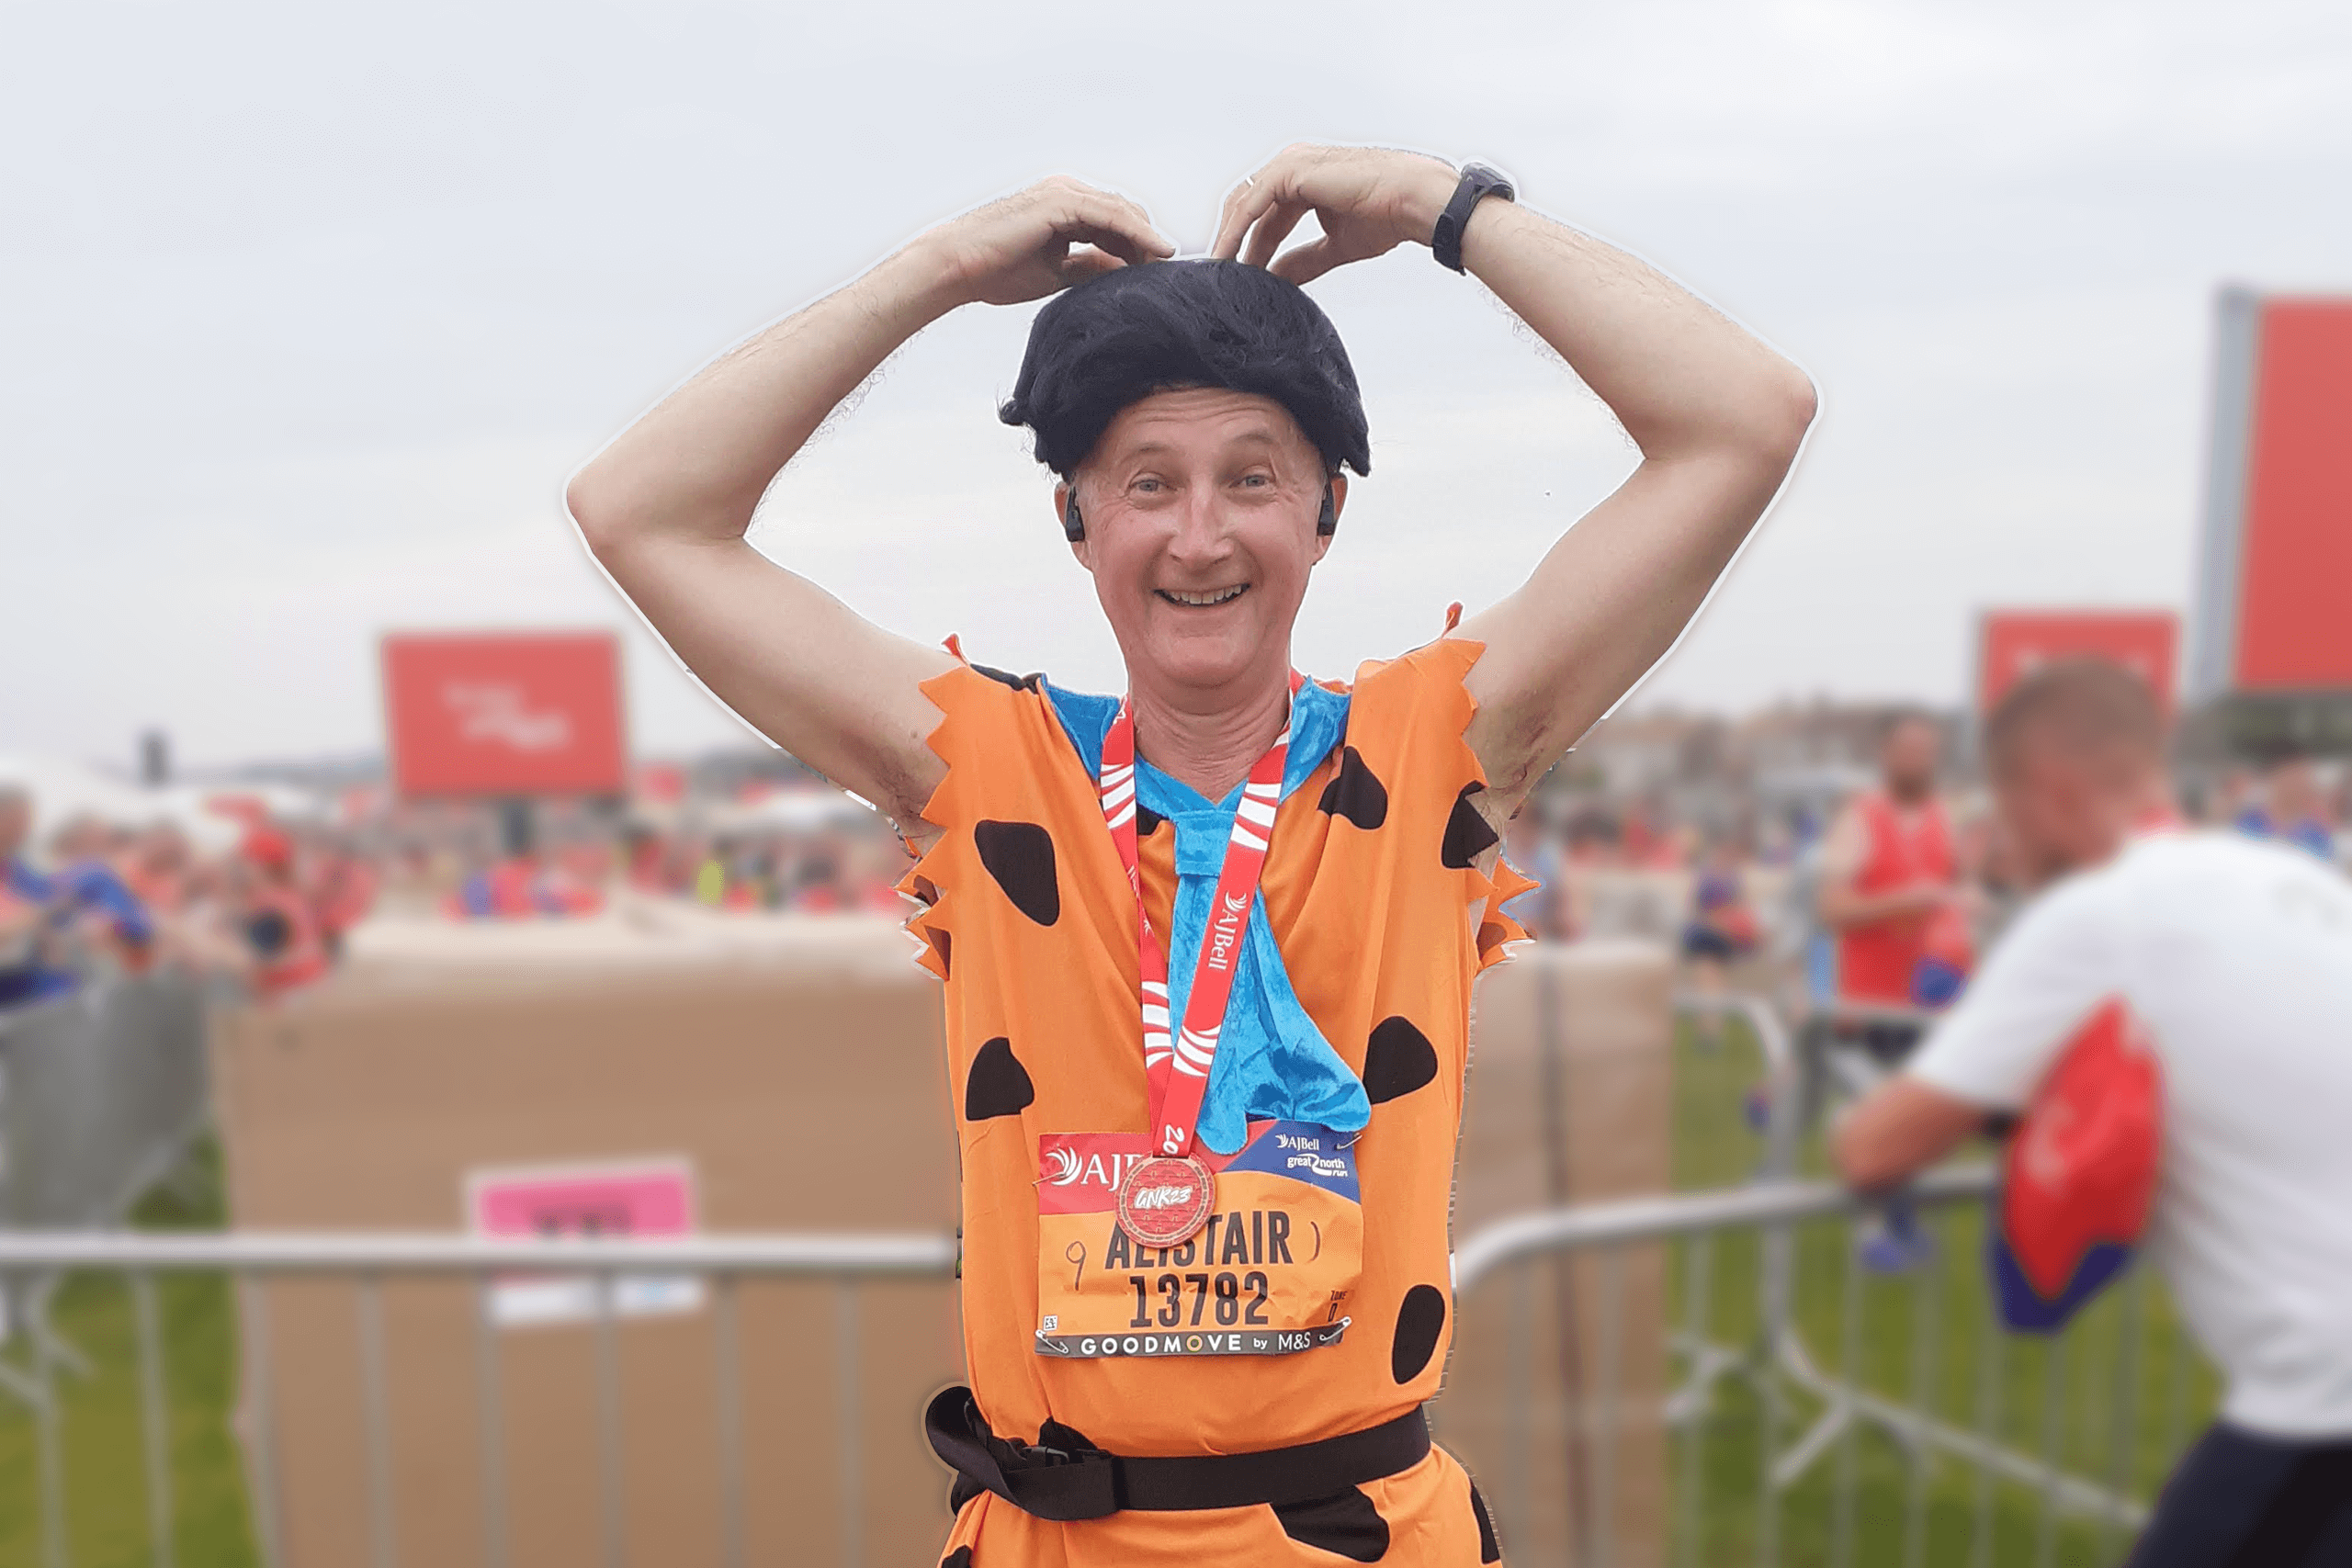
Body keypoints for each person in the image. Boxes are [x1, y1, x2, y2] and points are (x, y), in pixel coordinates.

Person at [566, 144, 1814, 1563]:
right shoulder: (986, 772)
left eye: (1253, 476)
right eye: (1147, 481)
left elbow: (1746, 420)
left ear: (1325, 510)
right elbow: (639, 511)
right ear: (1076, 519)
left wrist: (1439, 211)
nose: (1200, 535)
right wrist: (935, 276)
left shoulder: (1430, 755)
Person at [1831, 660, 2352, 1567]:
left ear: (2049, 790)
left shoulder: (2101, 914)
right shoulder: (2291, 881)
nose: (1999, 839)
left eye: (2002, 806)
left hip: (2323, 1391)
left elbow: (1872, 1148)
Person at [1816, 714, 1969, 1059]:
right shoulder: (1858, 818)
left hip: (1934, 1005)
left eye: (1926, 752)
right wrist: (1899, 903)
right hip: (1871, 1010)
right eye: (1907, 751)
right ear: (1886, 754)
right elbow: (1829, 909)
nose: (1916, 762)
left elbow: (1963, 897)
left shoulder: (1947, 817)